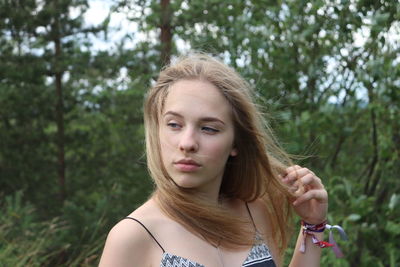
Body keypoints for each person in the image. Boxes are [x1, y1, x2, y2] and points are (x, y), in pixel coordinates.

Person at [99, 53, 329, 267]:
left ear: (236, 143)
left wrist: (313, 225)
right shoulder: (133, 237)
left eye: (208, 128)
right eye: (174, 125)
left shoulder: (255, 212)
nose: (187, 142)